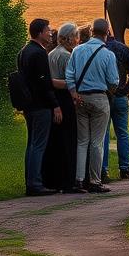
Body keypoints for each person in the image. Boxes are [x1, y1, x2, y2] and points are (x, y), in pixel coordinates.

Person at [65, 18, 121, 193]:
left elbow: (69, 74)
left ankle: (79, 180)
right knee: (97, 143)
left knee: (82, 141)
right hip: (99, 98)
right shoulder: (108, 54)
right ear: (107, 33)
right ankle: (95, 181)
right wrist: (109, 91)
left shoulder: (77, 50)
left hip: (80, 98)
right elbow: (113, 81)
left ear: (91, 31)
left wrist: (74, 92)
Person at [18, 18, 62, 196]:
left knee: (32, 144)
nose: (50, 33)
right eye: (47, 30)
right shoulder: (40, 53)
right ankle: (35, 183)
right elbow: (44, 84)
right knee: (38, 144)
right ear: (39, 33)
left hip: (28, 104)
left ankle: (30, 181)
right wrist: (56, 106)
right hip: (41, 105)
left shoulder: (24, 51)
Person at [46, 22, 82, 192]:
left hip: (54, 99)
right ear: (69, 38)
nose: (77, 40)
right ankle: (68, 180)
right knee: (68, 140)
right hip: (64, 100)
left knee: (57, 140)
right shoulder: (67, 56)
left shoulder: (51, 53)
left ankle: (54, 178)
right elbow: (70, 81)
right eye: (76, 36)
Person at [102, 34, 129, 181]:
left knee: (103, 134)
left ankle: (103, 170)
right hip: (120, 97)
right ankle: (124, 169)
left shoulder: (98, 48)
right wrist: (124, 90)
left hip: (103, 96)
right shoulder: (122, 48)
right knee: (123, 134)